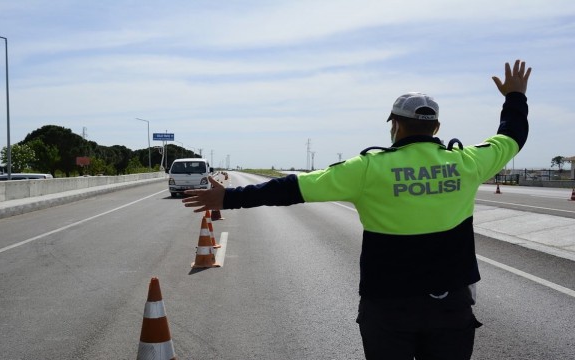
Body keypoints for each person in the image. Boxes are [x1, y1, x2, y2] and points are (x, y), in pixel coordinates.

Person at [182, 60, 531, 360]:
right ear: (436, 127)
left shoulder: (367, 168)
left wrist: (228, 198)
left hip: (387, 306)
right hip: (451, 304)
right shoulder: (468, 163)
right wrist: (514, 97)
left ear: (395, 125)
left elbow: (293, 188)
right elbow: (513, 135)